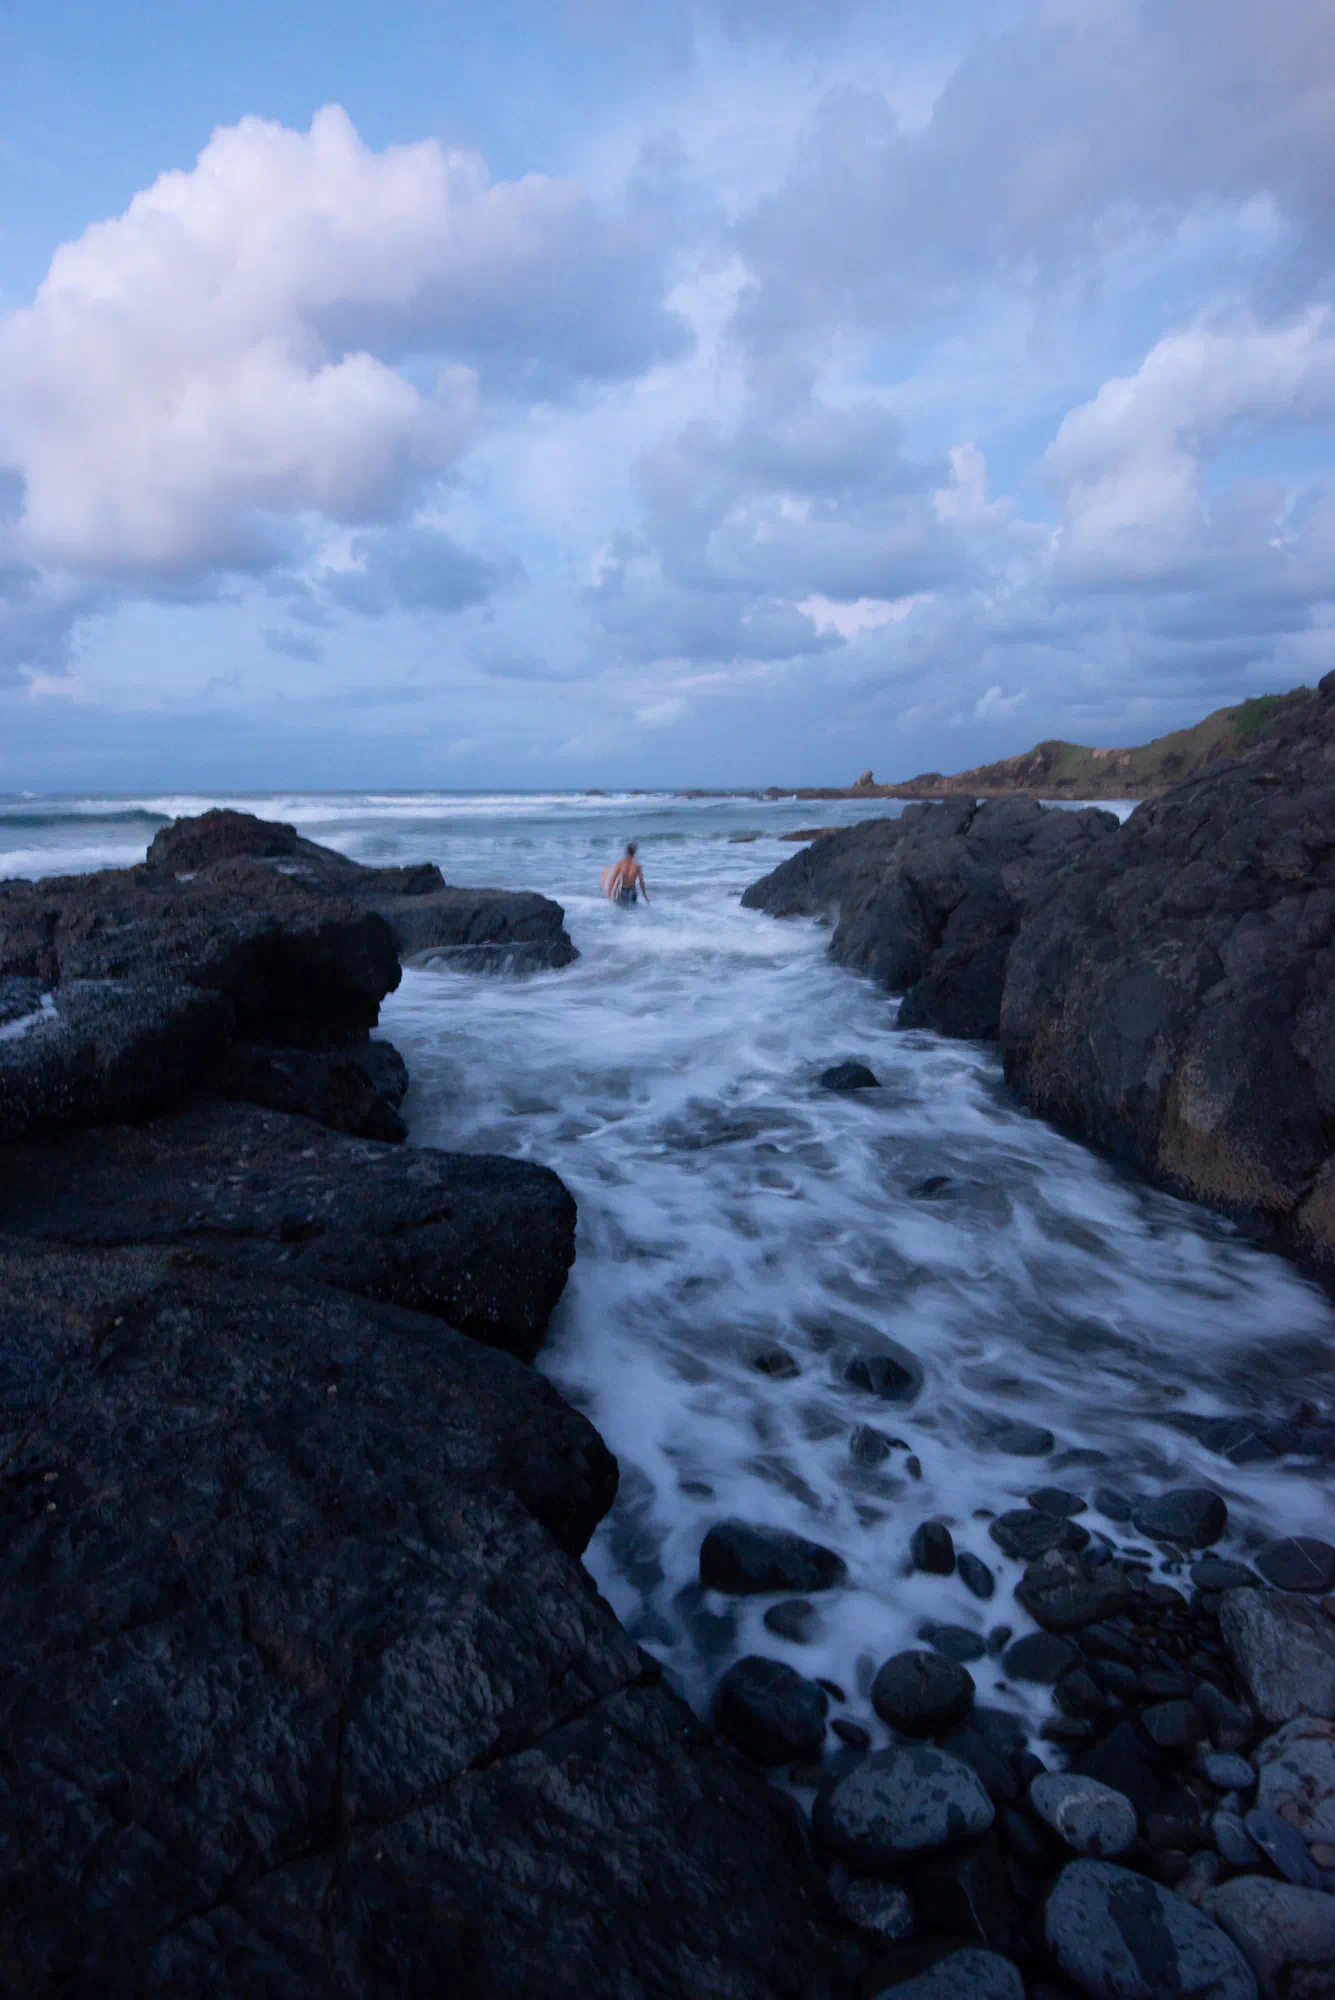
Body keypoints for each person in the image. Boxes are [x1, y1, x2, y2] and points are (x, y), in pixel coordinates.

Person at [601, 840, 649, 906]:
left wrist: (609, 893)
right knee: (633, 912)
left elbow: (613, 879)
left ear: (626, 851)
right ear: (635, 852)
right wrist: (645, 896)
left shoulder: (621, 863)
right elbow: (641, 883)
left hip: (622, 891)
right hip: (632, 892)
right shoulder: (637, 865)